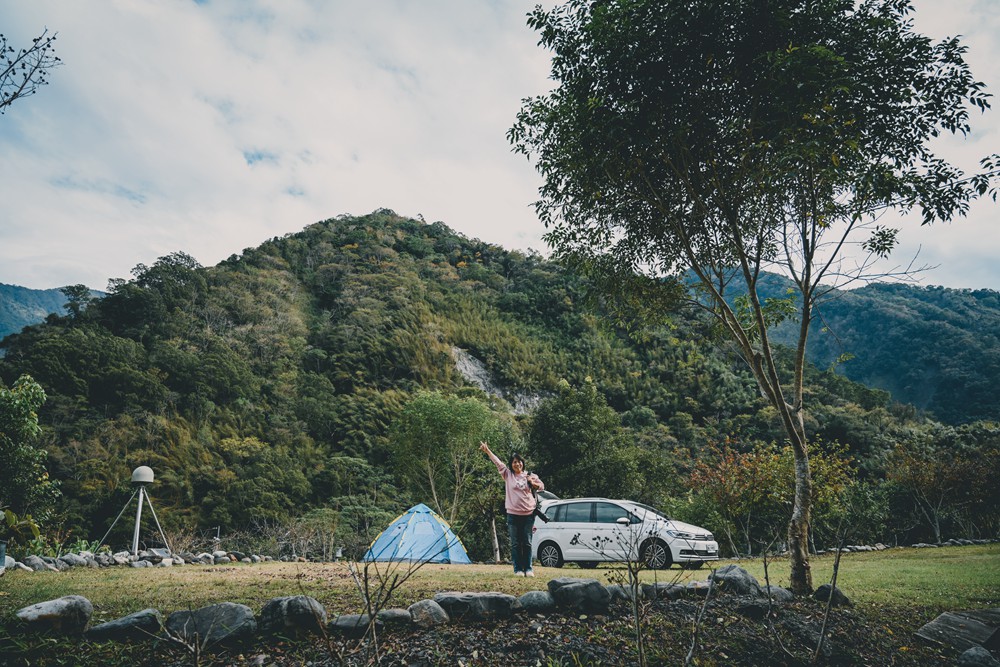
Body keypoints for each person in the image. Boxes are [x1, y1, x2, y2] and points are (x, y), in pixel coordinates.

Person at [479, 440, 544, 577]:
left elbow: (542, 487)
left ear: (522, 463)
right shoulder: (508, 475)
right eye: (514, 462)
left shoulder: (530, 475)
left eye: (519, 461)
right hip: (513, 514)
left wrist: (532, 483)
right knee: (515, 543)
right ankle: (518, 569)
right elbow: (498, 463)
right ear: (511, 464)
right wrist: (487, 451)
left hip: (528, 514)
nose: (517, 464)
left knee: (526, 542)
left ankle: (528, 569)